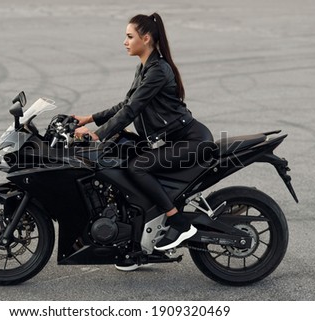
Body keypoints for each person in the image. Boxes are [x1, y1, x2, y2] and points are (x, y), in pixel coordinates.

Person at [74, 13, 213, 269]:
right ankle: (137, 247)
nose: (125, 42)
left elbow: (132, 110)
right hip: (166, 140)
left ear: (146, 38)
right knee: (123, 160)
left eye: (129, 37)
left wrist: (97, 134)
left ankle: (176, 221)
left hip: (190, 141)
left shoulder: (158, 70)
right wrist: (89, 118)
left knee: (137, 167)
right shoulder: (145, 66)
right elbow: (125, 103)